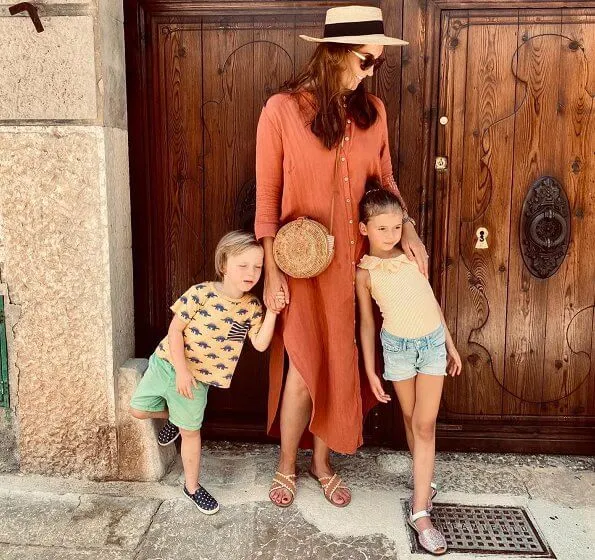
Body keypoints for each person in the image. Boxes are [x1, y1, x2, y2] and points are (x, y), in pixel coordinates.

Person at [255, 5, 429, 508]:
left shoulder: (373, 113)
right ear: (334, 54)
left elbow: (386, 181)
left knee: (339, 365)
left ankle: (323, 463)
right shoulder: (282, 111)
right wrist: (271, 273)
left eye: (376, 62)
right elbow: (268, 197)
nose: (370, 71)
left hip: (355, 267)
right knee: (304, 370)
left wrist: (408, 229)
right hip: (302, 267)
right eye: (364, 60)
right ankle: (288, 464)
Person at [129, 231, 282, 514]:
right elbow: (175, 330)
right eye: (243, 265)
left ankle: (192, 486)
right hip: (166, 364)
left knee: (191, 432)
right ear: (224, 265)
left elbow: (260, 345)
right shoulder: (202, 293)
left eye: (257, 267)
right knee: (138, 409)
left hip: (198, 380)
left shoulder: (251, 307)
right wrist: (181, 371)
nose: (251, 273)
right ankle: (174, 417)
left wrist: (272, 311)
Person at [355, 182, 462, 554]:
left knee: (424, 423)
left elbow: (429, 301)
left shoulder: (412, 256)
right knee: (410, 416)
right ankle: (423, 478)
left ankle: (421, 512)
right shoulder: (365, 272)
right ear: (364, 229)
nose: (390, 235)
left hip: (430, 342)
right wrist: (370, 369)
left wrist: (449, 343)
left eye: (397, 227)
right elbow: (367, 324)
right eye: (382, 228)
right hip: (397, 349)